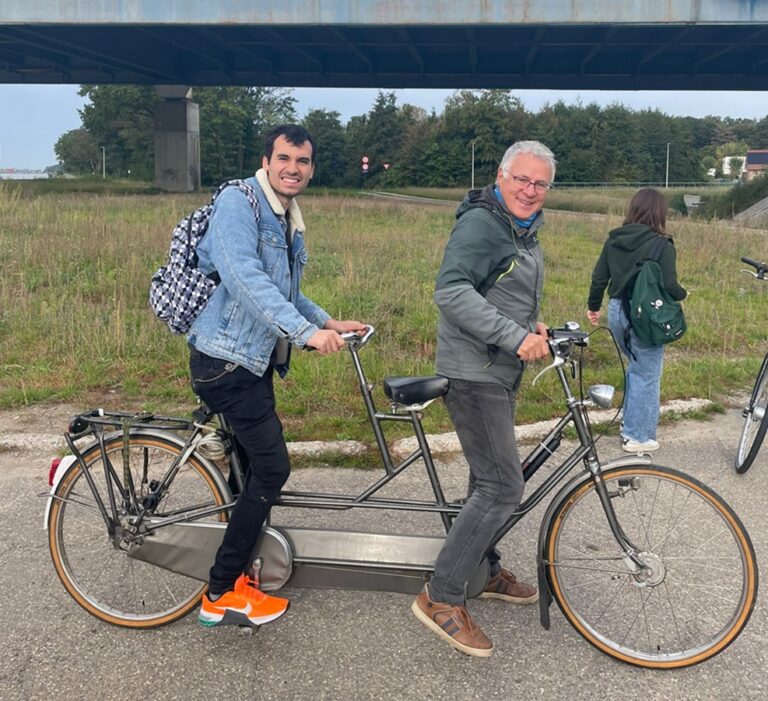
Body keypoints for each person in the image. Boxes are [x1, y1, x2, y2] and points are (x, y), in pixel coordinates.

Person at [187, 124, 367, 628]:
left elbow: (283, 287)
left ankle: (242, 573)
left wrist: (327, 321)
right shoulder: (239, 203)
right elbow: (246, 279)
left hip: (252, 361)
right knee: (271, 471)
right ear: (266, 160)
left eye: (304, 161)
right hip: (226, 361)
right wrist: (303, 333)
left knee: (247, 473)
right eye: (285, 158)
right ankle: (220, 593)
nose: (294, 168)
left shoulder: (285, 214)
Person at [412, 141, 557, 657]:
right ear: (501, 175)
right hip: (474, 370)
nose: (530, 190)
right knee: (501, 486)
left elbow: (499, 288)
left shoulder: (520, 226)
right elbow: (452, 291)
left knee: (486, 480)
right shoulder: (482, 222)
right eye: (522, 179)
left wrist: (530, 326)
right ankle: (442, 595)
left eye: (540, 183)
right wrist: (515, 337)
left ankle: (483, 569)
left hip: (498, 367)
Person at [586, 187, 687, 453]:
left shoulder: (614, 239)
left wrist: (593, 307)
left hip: (617, 311)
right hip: (644, 316)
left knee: (637, 367)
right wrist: (684, 293)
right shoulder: (662, 244)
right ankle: (638, 436)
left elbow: (599, 277)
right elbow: (669, 284)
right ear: (659, 213)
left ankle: (629, 425)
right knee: (647, 374)